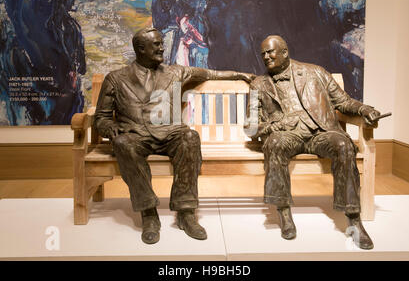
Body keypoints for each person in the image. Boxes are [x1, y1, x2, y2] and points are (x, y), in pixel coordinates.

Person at [94, 27, 254, 244]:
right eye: (157, 44)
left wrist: (238, 75)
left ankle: (186, 213)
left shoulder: (176, 72)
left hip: (170, 134)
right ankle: (149, 213)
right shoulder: (116, 79)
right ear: (140, 49)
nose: (162, 47)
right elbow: (101, 118)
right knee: (123, 143)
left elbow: (211, 74)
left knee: (190, 138)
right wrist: (109, 127)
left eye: (161, 43)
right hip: (135, 135)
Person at [245, 35, 381, 250]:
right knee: (274, 144)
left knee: (344, 145)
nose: (266, 57)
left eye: (270, 52)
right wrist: (274, 125)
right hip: (286, 134)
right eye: (263, 54)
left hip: (321, 131)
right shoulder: (258, 84)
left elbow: (343, 101)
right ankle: (284, 213)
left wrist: (365, 109)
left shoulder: (315, 72)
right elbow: (251, 128)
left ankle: (354, 220)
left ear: (284, 52)